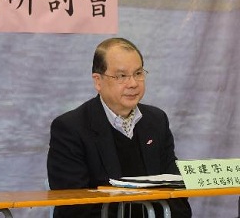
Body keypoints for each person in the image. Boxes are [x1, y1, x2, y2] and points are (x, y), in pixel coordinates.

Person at [46, 37, 191, 217]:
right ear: (98, 81)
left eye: (138, 73)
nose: (133, 83)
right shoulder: (70, 128)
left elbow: (176, 191)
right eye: (122, 76)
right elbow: (73, 206)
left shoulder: (156, 120)